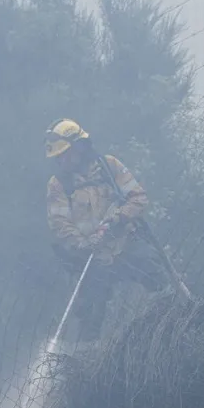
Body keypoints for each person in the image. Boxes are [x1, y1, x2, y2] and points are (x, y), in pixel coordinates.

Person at [44, 118, 166, 340]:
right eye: (58, 157)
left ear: (80, 147)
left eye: (65, 154)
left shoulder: (109, 167)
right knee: (90, 315)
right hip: (92, 258)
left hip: (124, 245)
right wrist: (84, 243)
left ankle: (166, 327)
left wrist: (117, 220)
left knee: (156, 276)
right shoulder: (58, 184)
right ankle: (84, 355)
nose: (61, 160)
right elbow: (59, 224)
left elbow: (138, 198)